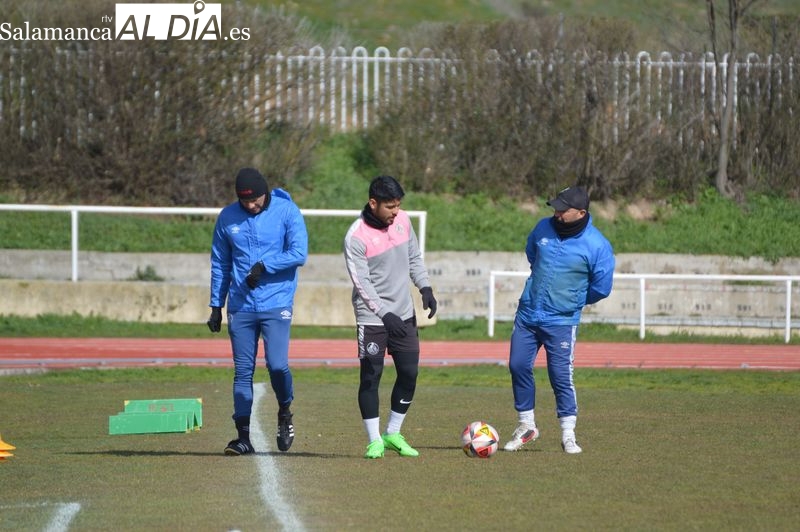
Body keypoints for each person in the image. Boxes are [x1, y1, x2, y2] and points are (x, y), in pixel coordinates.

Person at [504, 185, 614, 454]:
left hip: (562, 321)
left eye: (563, 210)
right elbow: (533, 255)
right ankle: (527, 426)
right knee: (517, 365)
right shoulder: (543, 228)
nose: (557, 213)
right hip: (528, 314)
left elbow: (602, 287)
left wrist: (573, 299)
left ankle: (568, 434)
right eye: (555, 207)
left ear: (581, 212)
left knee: (560, 376)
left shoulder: (597, 245)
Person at [207, 167, 308, 456]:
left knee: (277, 365)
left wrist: (265, 266)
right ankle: (242, 437)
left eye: (255, 200)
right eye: (244, 201)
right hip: (240, 305)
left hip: (277, 301)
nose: (250, 206)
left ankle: (285, 410)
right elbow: (220, 263)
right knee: (242, 372)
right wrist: (216, 305)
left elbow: (299, 253)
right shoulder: (227, 217)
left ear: (265, 192)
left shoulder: (287, 212)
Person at [343, 175, 438, 459]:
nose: (395, 211)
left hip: (404, 314)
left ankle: (393, 433)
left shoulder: (404, 221)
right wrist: (385, 314)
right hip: (372, 318)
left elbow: (414, 258)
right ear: (373, 203)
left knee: (409, 373)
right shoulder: (356, 237)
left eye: (398, 205)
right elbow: (362, 284)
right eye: (390, 206)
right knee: (371, 378)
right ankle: (374, 440)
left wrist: (425, 286)